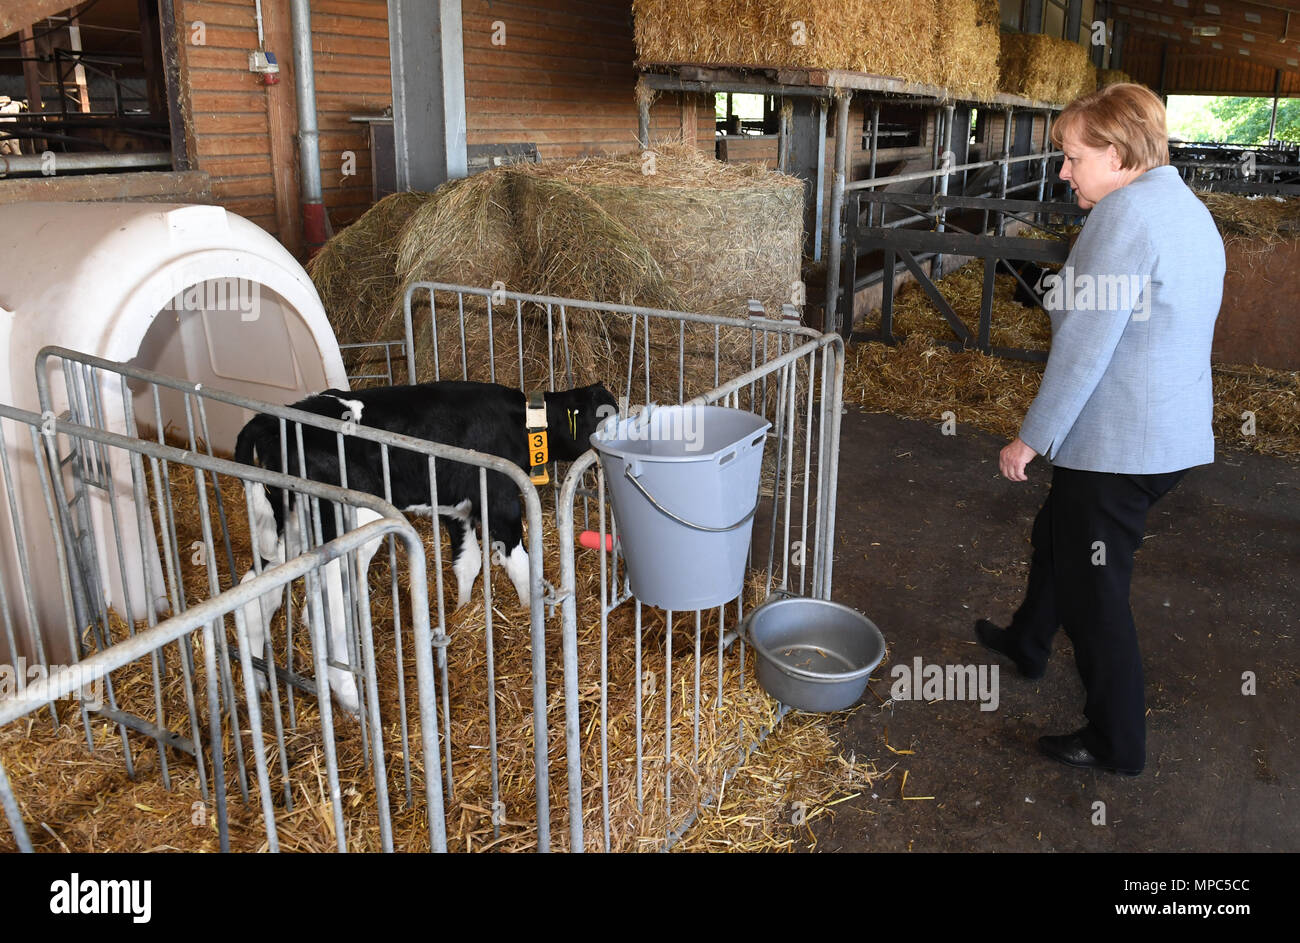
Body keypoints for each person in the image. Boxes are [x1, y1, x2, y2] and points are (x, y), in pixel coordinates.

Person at [977, 83, 1225, 776]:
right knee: (1057, 534)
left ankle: (1117, 741)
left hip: (1121, 442)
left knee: (1096, 597)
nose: (1063, 171)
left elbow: (1084, 344)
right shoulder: (1184, 206)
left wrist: (1032, 437)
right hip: (1169, 429)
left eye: (1071, 156)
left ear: (1116, 156)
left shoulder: (1122, 218)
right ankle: (1029, 638)